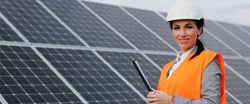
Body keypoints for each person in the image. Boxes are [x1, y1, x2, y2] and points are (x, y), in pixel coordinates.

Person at [146, 0, 226, 104]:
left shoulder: (207, 61)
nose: (182, 33)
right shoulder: (166, 69)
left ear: (199, 29)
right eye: (176, 28)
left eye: (188, 27)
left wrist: (171, 100)